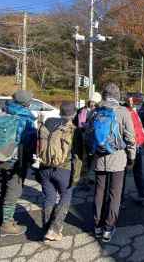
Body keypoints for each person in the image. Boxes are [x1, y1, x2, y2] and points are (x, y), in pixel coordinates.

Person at [86, 83, 136, 243]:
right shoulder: (123, 112)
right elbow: (130, 138)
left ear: (104, 95)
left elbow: (88, 134)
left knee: (99, 192)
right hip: (118, 159)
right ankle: (108, 229)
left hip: (99, 159)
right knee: (115, 194)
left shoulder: (95, 112)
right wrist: (132, 157)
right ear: (117, 95)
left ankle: (97, 226)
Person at [0, 90, 36, 237]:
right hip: (14, 161)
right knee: (13, 192)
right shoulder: (26, 118)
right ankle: (6, 225)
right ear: (26, 103)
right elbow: (30, 143)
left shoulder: (0, 114)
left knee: (0, 188)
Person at [37, 101, 84, 241]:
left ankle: (47, 227)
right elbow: (78, 156)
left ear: (59, 112)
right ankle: (54, 229)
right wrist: (77, 177)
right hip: (63, 169)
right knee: (65, 196)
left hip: (44, 167)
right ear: (74, 114)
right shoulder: (73, 130)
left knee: (49, 197)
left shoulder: (47, 123)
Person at [123, 97, 144, 206]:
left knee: (122, 175)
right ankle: (142, 196)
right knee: (138, 173)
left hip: (128, 147)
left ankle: (119, 201)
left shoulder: (123, 114)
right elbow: (141, 128)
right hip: (138, 145)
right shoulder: (134, 113)